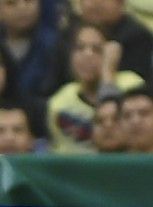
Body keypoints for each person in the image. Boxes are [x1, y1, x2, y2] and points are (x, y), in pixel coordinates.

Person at [48, 24, 144, 153]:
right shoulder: (60, 104)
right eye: (79, 48)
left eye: (97, 49)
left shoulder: (132, 85)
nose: (87, 56)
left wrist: (107, 75)